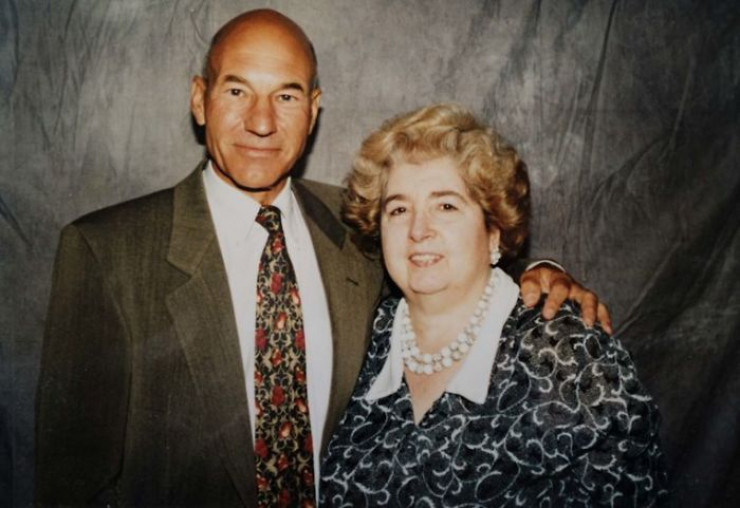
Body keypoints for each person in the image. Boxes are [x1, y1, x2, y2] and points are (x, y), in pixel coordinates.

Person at [35, 10, 608, 507]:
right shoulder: (107, 253)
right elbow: (71, 485)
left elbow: (451, 268)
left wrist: (542, 273)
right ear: (198, 100)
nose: (261, 122)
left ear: (313, 110)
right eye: (237, 91)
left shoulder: (360, 225)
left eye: (286, 96)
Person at [320, 104, 668, 506]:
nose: (418, 230)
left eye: (446, 206)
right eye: (398, 209)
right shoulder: (363, 335)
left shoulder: (569, 358)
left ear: (493, 233)